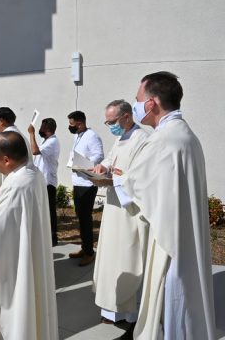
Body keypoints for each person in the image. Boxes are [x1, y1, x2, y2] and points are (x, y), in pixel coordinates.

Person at [95, 72, 214, 340]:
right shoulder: (185, 135)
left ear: (151, 103)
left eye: (138, 100)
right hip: (184, 237)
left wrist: (113, 177)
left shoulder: (162, 141)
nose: (135, 106)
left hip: (170, 244)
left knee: (172, 308)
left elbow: (137, 186)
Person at [0, 131, 58, 339]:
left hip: (13, 266)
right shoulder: (31, 173)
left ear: (6, 160)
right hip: (26, 253)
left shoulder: (17, 185)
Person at [90, 99, 150, 329]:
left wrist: (115, 177)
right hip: (114, 206)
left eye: (112, 121)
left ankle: (129, 313)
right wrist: (102, 167)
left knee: (126, 256)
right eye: (107, 122)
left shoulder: (142, 140)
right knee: (111, 259)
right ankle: (110, 308)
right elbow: (111, 159)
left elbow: (141, 177)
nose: (110, 126)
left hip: (129, 211)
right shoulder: (121, 137)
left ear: (126, 116)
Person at [67, 110, 104, 267]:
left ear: (80, 123)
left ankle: (89, 252)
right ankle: (84, 247)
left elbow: (99, 156)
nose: (70, 127)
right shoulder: (77, 135)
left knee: (86, 218)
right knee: (80, 217)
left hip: (87, 183)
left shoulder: (92, 136)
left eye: (72, 124)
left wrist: (83, 164)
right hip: (77, 181)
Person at [28, 117, 61, 246]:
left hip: (48, 182)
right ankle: (46, 236)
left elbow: (35, 151)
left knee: (49, 211)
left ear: (47, 130)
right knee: (43, 210)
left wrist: (31, 133)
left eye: (41, 128)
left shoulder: (52, 142)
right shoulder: (45, 140)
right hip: (41, 181)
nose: (39, 130)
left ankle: (52, 238)